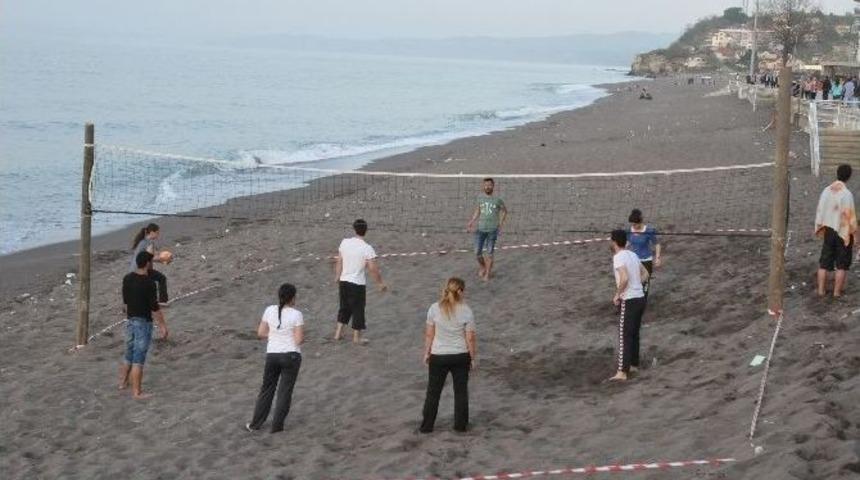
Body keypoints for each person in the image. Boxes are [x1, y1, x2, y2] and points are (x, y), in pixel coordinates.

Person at [419, 277, 477, 433]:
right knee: (461, 391)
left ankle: (427, 426)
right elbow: (470, 338)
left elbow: (429, 335)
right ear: (460, 291)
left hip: (439, 355)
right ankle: (460, 425)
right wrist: (472, 357)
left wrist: (426, 353)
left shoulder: (434, 308)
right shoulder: (466, 310)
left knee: (433, 392)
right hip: (460, 354)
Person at [246, 283, 304, 433]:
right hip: (291, 355)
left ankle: (256, 423)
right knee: (284, 392)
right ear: (292, 298)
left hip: (272, 354)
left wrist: (274, 335)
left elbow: (260, 333)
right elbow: (298, 340)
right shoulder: (296, 314)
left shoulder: (269, 310)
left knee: (267, 389)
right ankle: (277, 426)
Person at [118, 251, 169, 399]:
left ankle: (122, 383)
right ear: (147, 263)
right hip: (143, 323)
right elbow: (154, 307)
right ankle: (137, 392)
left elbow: (125, 302)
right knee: (138, 358)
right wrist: (163, 326)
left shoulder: (127, 278)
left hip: (130, 321)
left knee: (128, 354)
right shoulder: (149, 283)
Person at [334, 219, 387, 344]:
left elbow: (339, 261)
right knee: (358, 309)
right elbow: (373, 268)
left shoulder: (345, 242)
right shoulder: (367, 248)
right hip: (357, 283)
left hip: (344, 281)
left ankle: (338, 333)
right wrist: (380, 283)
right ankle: (356, 338)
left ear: (354, 229)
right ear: (366, 231)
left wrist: (337, 276)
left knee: (344, 307)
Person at [609, 230, 649, 382]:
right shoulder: (633, 255)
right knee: (634, 334)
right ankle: (633, 365)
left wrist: (617, 294)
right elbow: (645, 273)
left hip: (630, 299)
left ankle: (622, 372)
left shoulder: (618, 257)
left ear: (614, 242)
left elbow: (624, 278)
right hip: (640, 298)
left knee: (624, 335)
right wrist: (637, 284)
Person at [815, 165, 856, 298]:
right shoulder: (847, 194)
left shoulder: (826, 190)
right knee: (842, 265)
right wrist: (855, 234)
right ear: (849, 176)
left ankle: (821, 290)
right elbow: (850, 216)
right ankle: (836, 292)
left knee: (824, 263)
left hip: (829, 229)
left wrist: (820, 226)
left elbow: (820, 209)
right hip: (842, 231)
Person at [466, 178, 508, 281]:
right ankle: (483, 267)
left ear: (493, 186)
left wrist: (501, 224)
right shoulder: (480, 197)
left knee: (490, 253)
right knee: (477, 253)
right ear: (483, 186)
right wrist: (472, 221)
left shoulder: (498, 200)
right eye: (486, 185)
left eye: (490, 185)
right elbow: (478, 210)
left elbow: (505, 211)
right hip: (480, 229)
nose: (488, 187)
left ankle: (488, 274)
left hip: (492, 230)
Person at [130, 223, 171, 304]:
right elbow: (150, 257)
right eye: (157, 233)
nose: (158, 235)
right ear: (152, 232)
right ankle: (163, 301)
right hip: (140, 270)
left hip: (135, 270)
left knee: (148, 285)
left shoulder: (143, 241)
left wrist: (162, 260)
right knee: (161, 279)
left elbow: (152, 256)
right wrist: (164, 259)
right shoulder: (149, 243)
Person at [626, 209, 662, 298]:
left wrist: (657, 257)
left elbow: (657, 244)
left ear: (640, 222)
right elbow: (628, 243)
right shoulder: (629, 231)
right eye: (632, 224)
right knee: (633, 283)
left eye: (635, 224)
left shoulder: (649, 231)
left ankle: (642, 303)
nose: (633, 226)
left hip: (646, 261)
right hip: (634, 261)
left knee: (644, 284)